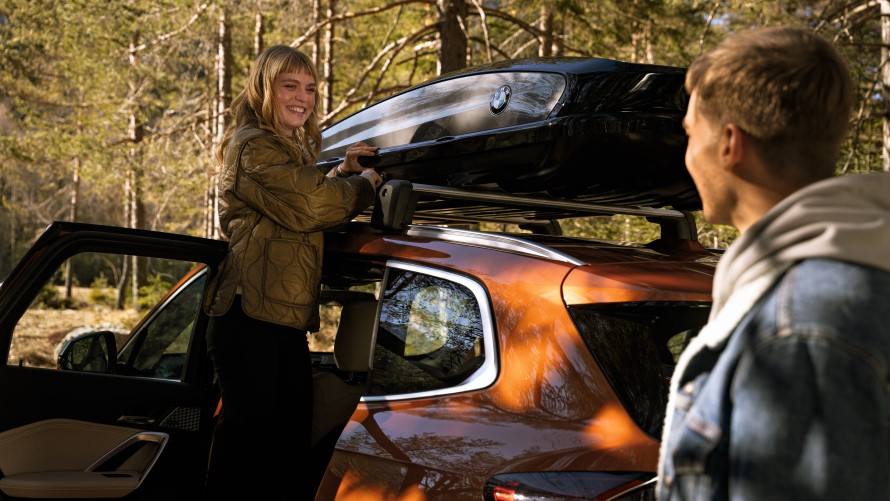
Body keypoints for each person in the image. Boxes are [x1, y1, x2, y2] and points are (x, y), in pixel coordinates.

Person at [658, 26, 890, 500]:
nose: (687, 156)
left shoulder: (802, 324)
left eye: (689, 134)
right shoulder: (848, 273)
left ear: (729, 144)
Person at [202, 44, 381, 500]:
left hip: (278, 321)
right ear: (265, 89)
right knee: (250, 457)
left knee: (283, 455)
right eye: (290, 86)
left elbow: (304, 196)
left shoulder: (284, 151)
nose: (303, 97)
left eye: (310, 88)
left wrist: (342, 170)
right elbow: (310, 205)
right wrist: (364, 185)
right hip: (249, 322)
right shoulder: (254, 146)